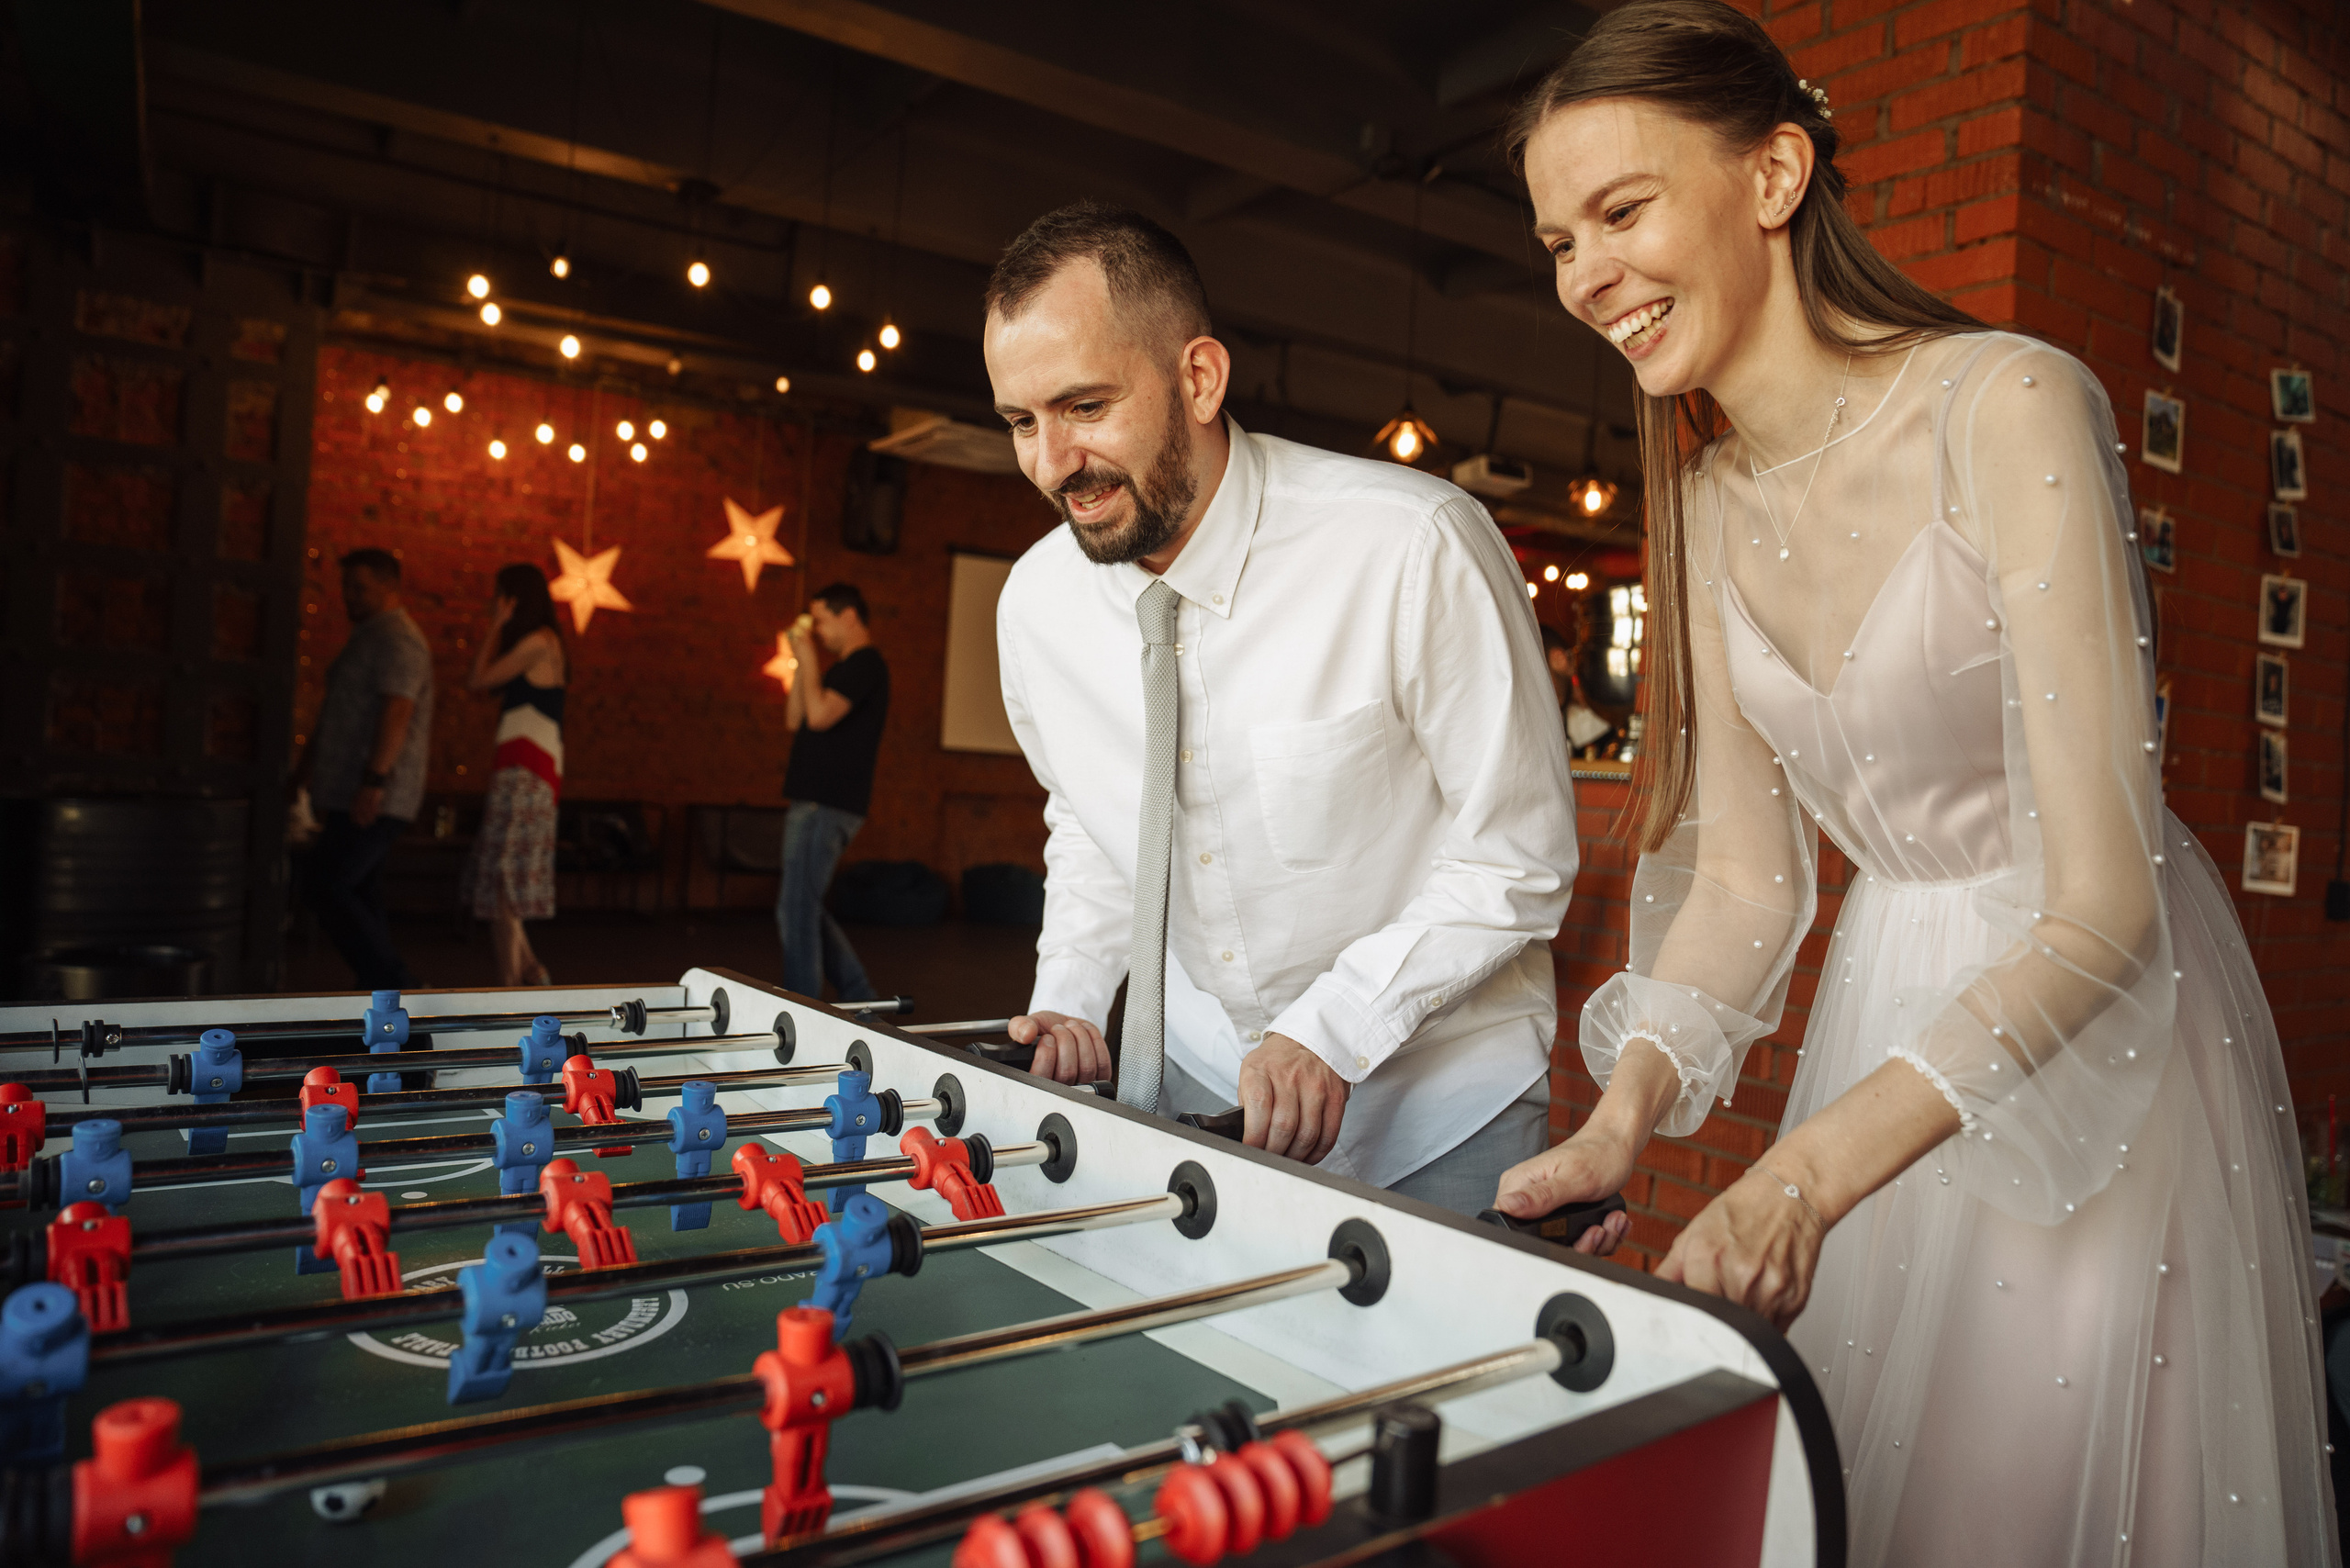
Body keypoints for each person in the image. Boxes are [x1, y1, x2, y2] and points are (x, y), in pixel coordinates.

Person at [1491, 4, 2336, 1562]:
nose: (1584, 273)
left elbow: (2103, 907)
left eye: (1622, 210)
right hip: (1885, 1005)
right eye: (1558, 238)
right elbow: (1748, 881)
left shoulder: (2010, 405)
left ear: (1775, 174)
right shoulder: (1697, 495)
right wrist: (1625, 1121)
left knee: (2028, 1485)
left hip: (2090, 1036)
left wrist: (1808, 1175)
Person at [985, 202, 1581, 1215]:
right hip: (1199, 1084)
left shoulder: (1413, 546)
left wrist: (1332, 1025)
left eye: (1084, 408)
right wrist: (1070, 1002)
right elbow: (1091, 820)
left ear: (1200, 379)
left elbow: (1517, 856)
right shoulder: (1035, 605)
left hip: (1445, 1113)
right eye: (1021, 422)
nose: (1051, 464)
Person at [293, 547, 433, 990]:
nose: (348, 596)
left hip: (374, 792)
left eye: (359, 588)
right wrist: (304, 772)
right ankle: (382, 990)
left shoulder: (398, 639)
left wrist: (374, 781)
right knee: (358, 890)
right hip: (350, 789)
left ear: (389, 586)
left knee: (327, 884)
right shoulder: (370, 636)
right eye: (345, 586)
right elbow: (338, 713)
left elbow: (398, 710)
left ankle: (397, 984)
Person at [776, 583, 889, 1002]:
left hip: (828, 804)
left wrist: (807, 657)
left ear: (849, 617)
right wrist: (804, 665)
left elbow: (820, 717)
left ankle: (802, 1006)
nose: (817, 631)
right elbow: (796, 719)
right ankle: (860, 994)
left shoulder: (867, 665)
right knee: (804, 907)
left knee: (797, 910)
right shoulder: (838, 670)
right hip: (813, 801)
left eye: (822, 619)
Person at [459, 563, 567, 987]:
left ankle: (510, 986)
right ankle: (532, 972)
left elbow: (477, 679)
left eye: (498, 595)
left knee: (504, 880)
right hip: (521, 767)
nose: (492, 602)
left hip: (528, 769)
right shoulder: (537, 643)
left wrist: (494, 626)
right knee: (501, 877)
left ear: (513, 599)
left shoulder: (540, 642)